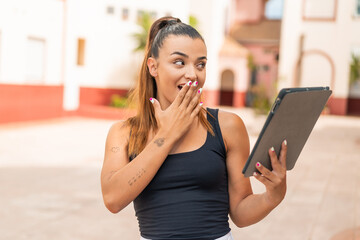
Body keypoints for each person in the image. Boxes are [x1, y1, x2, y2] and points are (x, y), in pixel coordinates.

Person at [100, 16, 287, 240]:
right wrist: (167, 135)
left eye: (200, 64)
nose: (193, 74)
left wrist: (272, 197)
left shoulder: (227, 127)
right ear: (153, 67)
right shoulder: (124, 133)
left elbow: (239, 212)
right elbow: (112, 199)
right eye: (179, 62)